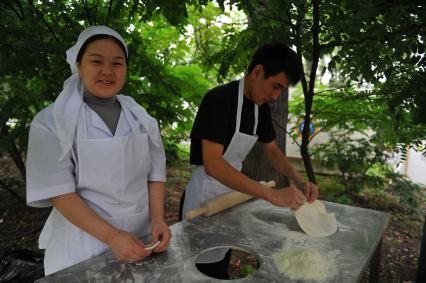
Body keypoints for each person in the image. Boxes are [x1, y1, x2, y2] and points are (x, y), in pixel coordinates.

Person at [26, 25, 171, 276]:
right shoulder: (51, 121)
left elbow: (155, 173)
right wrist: (112, 236)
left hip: (140, 242)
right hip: (81, 249)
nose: (107, 71)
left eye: (117, 63)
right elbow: (59, 193)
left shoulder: (140, 118)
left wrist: (157, 218)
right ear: (79, 65)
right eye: (96, 61)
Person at [182, 42, 319, 218]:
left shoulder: (259, 108)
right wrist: (272, 194)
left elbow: (272, 151)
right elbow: (213, 165)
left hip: (232, 195)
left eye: (282, 90)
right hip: (202, 199)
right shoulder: (219, 99)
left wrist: (299, 180)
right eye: (275, 86)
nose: (275, 97)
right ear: (257, 72)